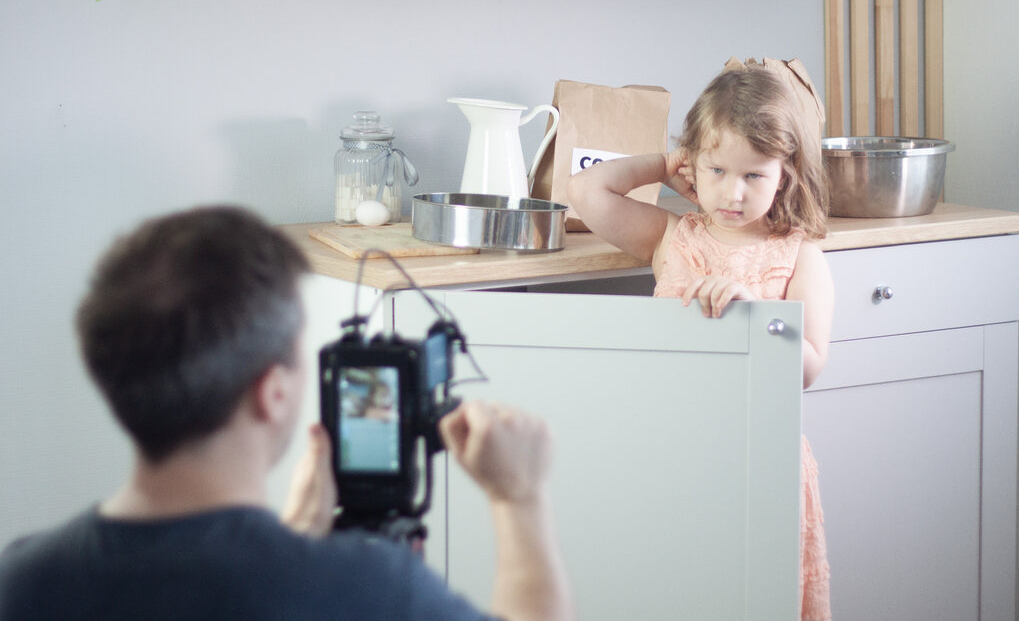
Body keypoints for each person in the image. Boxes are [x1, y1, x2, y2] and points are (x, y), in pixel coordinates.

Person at [0, 206, 572, 621]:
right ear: (272, 392)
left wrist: (298, 539)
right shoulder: (364, 588)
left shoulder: (22, 579)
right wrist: (518, 499)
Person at [567, 57, 834, 621]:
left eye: (753, 175)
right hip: (675, 455)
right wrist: (665, 162)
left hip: (762, 458)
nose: (732, 193)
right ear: (694, 164)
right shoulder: (670, 237)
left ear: (785, 171)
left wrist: (754, 314)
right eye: (716, 170)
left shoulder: (800, 254)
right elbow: (585, 191)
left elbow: (809, 366)